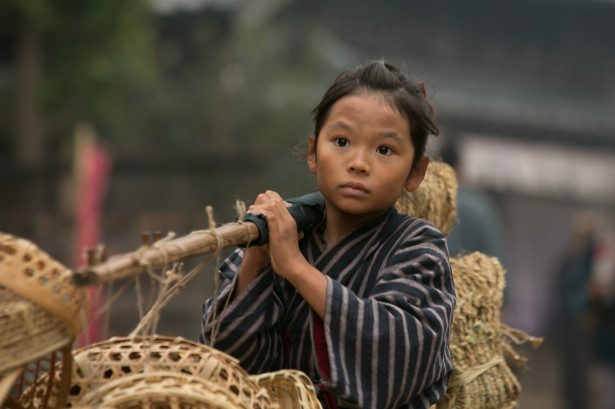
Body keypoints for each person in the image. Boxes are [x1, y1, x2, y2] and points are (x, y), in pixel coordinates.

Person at [199, 60, 456, 409]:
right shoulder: (284, 234)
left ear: (416, 171)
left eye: (384, 150)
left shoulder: (418, 247)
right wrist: (257, 259)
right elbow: (226, 368)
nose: (359, 163)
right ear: (313, 152)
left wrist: (296, 268)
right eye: (341, 141)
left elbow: (396, 356)